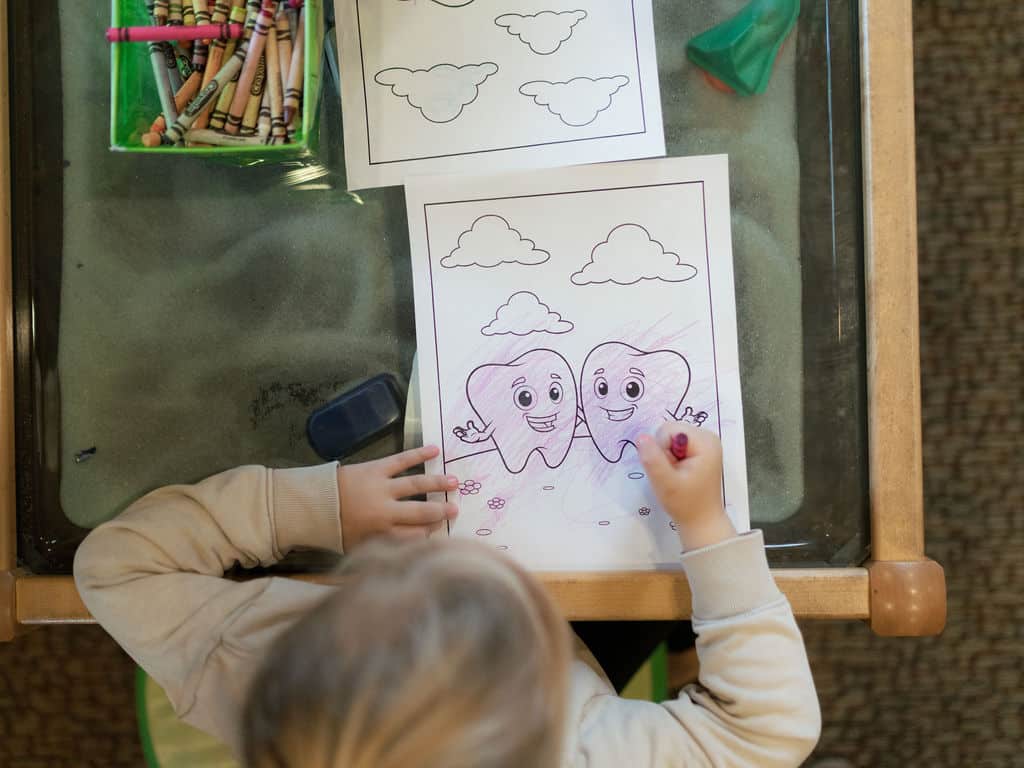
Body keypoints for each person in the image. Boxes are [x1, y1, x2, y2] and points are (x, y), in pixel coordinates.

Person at [75, 424, 820, 767]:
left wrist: (319, 507)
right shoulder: (584, 754)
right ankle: (679, 646)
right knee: (655, 597)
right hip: (586, 656)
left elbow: (111, 567)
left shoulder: (242, 661)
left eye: (381, 587)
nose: (457, 559)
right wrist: (704, 525)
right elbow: (768, 733)